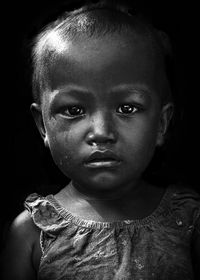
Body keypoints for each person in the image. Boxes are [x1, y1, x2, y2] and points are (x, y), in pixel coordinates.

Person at [1, 1, 200, 279]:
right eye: (74, 110)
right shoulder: (33, 233)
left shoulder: (188, 221)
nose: (101, 131)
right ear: (42, 125)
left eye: (127, 108)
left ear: (161, 123)